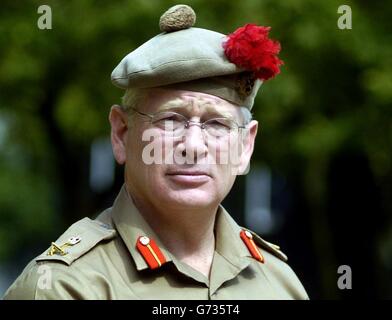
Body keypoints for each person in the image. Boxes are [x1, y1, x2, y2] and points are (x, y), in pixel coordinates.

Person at [3, 4, 308, 300]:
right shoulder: (63, 288)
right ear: (121, 133)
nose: (193, 146)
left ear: (245, 146)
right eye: (171, 120)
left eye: (217, 124)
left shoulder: (277, 282)